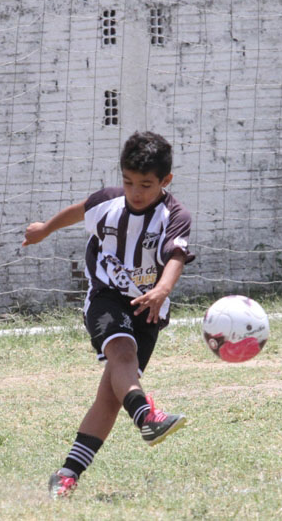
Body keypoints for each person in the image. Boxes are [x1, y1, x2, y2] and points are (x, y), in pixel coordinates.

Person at [22, 131, 195, 498]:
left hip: (149, 307)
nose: (135, 192)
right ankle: (146, 416)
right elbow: (80, 210)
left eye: (146, 185)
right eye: (128, 181)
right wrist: (44, 230)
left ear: (166, 181)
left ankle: (67, 473)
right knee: (122, 354)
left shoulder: (174, 215)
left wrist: (162, 290)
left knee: (111, 395)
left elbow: (177, 256)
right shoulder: (109, 203)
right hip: (106, 296)